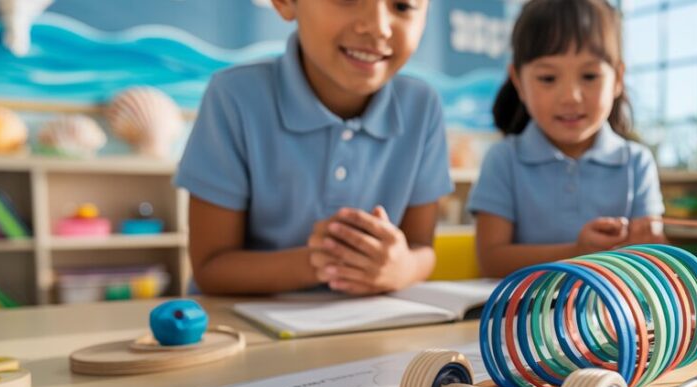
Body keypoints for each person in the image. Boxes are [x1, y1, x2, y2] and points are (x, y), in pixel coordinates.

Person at [176, 0, 452, 295]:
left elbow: (422, 248)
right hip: (246, 330)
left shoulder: (422, 107)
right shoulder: (233, 97)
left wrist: (403, 267)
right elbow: (210, 268)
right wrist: (324, 262)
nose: (378, 27)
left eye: (403, 5)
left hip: (366, 329)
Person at [467, 0, 665, 278]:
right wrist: (577, 252)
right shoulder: (503, 160)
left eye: (589, 76)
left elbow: (654, 258)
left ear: (618, 78)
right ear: (519, 82)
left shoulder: (637, 162)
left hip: (614, 316)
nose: (571, 96)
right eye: (548, 78)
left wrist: (651, 245)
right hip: (525, 315)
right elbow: (490, 260)